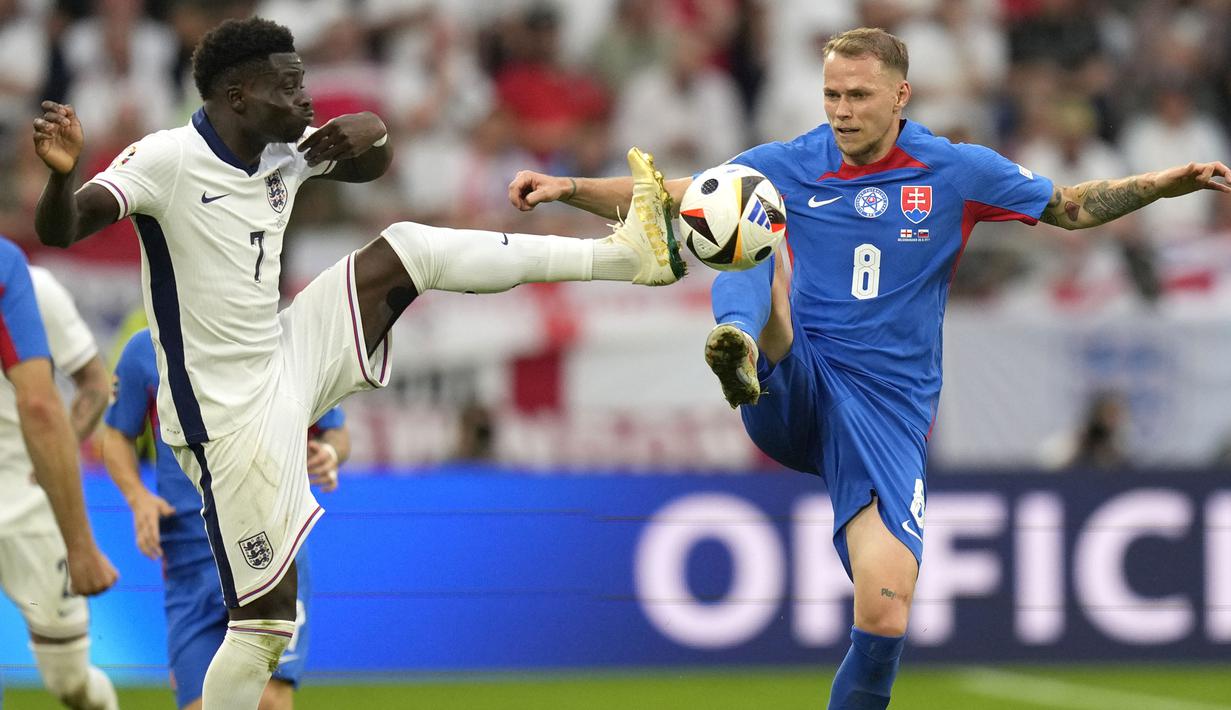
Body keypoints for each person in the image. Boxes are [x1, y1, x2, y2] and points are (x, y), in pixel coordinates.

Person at [508, 26, 1231, 709]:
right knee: (735, 209)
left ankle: (749, 338)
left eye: (857, 96)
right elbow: (674, 192)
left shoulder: (955, 170)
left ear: (899, 96)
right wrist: (568, 188)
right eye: (831, 95)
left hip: (884, 410)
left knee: (884, 611)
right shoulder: (790, 161)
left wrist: (1166, 182)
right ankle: (738, 340)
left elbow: (1071, 206)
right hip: (796, 377)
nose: (841, 111)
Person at [32, 16, 681, 709]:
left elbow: (372, 152)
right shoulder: (165, 160)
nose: (307, 98)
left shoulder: (283, 151)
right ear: (239, 95)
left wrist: (365, 130)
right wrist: (61, 179)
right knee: (264, 628)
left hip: (287, 356)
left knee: (409, 248)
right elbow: (64, 227)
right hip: (224, 419)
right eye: (290, 85)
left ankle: (623, 255)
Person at [102, 328, 348, 710]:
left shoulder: (272, 336)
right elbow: (117, 436)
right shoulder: (144, 349)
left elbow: (336, 431)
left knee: (269, 701)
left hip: (268, 549)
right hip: (187, 559)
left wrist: (329, 454)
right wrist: (138, 498)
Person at [0, 239, 118, 709]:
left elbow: (94, 382)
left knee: (69, 681)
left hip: (33, 504)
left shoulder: (34, 287)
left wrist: (61, 448)